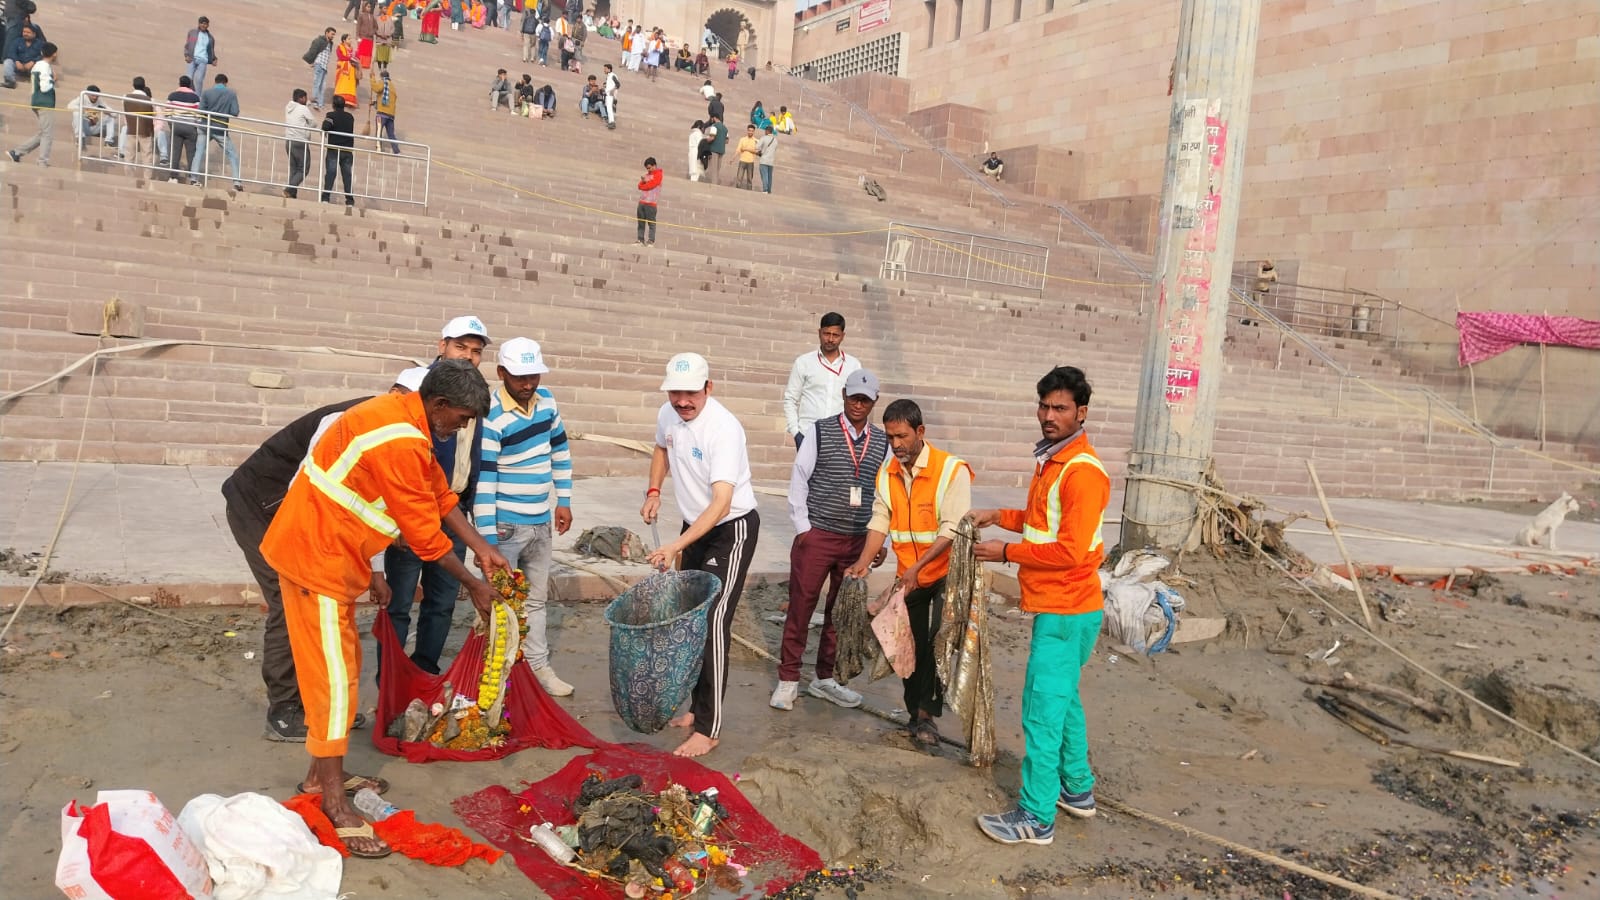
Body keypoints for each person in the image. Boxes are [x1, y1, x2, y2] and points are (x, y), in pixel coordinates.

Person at [261, 360, 509, 860]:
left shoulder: (404, 417)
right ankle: (330, 797)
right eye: (460, 419)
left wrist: (481, 547)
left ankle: (319, 771)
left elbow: (439, 496)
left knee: (343, 670)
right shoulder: (400, 438)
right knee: (334, 679)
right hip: (317, 560)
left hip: (332, 553)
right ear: (438, 405)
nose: (460, 428)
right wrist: (473, 584)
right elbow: (423, 536)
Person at [223, 367, 426, 742]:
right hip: (262, 505)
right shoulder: (350, 420)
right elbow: (309, 484)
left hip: (292, 508)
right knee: (291, 600)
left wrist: (375, 572)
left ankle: (325, 706)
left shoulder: (393, 430)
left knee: (321, 605)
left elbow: (367, 502)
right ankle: (284, 711)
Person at [971, 366, 1110, 845]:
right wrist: (997, 516)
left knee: (1042, 711)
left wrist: (1005, 552)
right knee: (1065, 701)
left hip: (1067, 609)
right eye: (1045, 406)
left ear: (1082, 413)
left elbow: (1069, 551)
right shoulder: (1055, 461)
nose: (1049, 416)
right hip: (1067, 606)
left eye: (1061, 408)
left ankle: (1036, 816)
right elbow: (1039, 521)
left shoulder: (1081, 473)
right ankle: (1077, 790)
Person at [641, 352, 761, 758]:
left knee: (713, 621)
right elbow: (660, 449)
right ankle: (696, 708)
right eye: (675, 392)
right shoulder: (667, 414)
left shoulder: (723, 429)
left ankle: (710, 728)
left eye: (690, 393)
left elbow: (722, 504)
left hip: (731, 530)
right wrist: (654, 491)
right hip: (692, 528)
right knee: (690, 621)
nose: (682, 401)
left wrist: (675, 545)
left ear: (708, 388)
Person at [845, 399, 972, 747]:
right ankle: (914, 712)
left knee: (932, 644)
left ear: (920, 432)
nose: (896, 444)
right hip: (910, 576)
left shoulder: (951, 470)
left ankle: (927, 718)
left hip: (945, 575)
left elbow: (952, 528)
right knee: (906, 645)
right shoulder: (887, 474)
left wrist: (919, 567)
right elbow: (880, 520)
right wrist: (863, 560)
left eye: (902, 436)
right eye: (890, 437)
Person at [772, 368, 888, 712]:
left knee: (841, 612)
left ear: (874, 402)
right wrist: (803, 528)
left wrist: (882, 542)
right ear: (843, 395)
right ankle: (788, 679)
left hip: (857, 539)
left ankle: (826, 678)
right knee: (801, 607)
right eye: (854, 397)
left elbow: (887, 493)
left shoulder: (882, 442)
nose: (858, 404)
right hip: (818, 534)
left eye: (865, 399)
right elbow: (800, 478)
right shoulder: (820, 431)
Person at [474, 337, 576, 697]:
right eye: (520, 377)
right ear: (502, 373)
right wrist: (486, 539)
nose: (528, 384)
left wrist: (563, 498)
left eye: (533, 375)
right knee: (499, 603)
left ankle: (538, 668)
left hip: (540, 521)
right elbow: (484, 479)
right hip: (506, 526)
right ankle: (496, 675)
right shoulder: (491, 414)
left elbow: (559, 450)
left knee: (535, 601)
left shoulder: (546, 402)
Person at [783, 312, 861, 450]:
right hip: (808, 435)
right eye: (826, 333)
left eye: (835, 335)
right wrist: (796, 433)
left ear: (843, 336)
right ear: (819, 333)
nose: (830, 339)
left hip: (841, 437)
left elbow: (858, 401)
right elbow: (790, 399)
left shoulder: (853, 366)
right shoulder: (804, 362)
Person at [6, 39, 55, 166]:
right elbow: (45, 87)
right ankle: (42, 160)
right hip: (44, 102)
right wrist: (53, 80)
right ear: (53, 54)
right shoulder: (45, 66)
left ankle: (17, 152)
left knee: (43, 133)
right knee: (47, 134)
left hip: (36, 100)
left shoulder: (37, 65)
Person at [193, 73, 243, 191]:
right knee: (232, 154)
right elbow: (235, 111)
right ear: (225, 83)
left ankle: (194, 177)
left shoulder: (206, 92)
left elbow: (200, 110)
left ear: (215, 82)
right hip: (220, 128)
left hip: (205, 126)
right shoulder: (231, 93)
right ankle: (237, 182)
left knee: (199, 151)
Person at [162, 75, 203, 181]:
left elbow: (167, 112)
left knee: (175, 152)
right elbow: (198, 115)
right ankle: (192, 177)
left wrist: (172, 123)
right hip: (190, 128)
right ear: (189, 84)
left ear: (179, 83)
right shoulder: (195, 97)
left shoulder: (172, 95)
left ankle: (173, 176)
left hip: (176, 126)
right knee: (191, 153)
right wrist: (195, 125)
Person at [320, 95, 356, 205]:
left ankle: (325, 198)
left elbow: (325, 126)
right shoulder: (350, 117)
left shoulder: (331, 115)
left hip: (334, 149)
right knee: (347, 175)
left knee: (331, 173)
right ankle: (349, 200)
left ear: (333, 105)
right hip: (347, 150)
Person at [283, 88, 315, 198]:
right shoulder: (303, 108)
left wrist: (308, 104)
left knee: (294, 168)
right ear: (301, 98)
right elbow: (314, 123)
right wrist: (306, 125)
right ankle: (289, 188)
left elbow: (300, 109)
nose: (306, 100)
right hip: (300, 141)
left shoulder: (288, 107)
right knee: (304, 169)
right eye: (305, 98)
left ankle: (292, 194)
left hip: (289, 141)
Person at [120, 76, 157, 166]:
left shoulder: (126, 97)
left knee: (129, 155)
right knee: (147, 156)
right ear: (144, 86)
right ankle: (147, 178)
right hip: (145, 131)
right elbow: (154, 113)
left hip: (131, 129)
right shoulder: (151, 100)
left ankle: (129, 177)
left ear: (133, 85)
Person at [69, 85, 119, 149]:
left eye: (97, 96)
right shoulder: (82, 97)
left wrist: (106, 111)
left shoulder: (100, 101)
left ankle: (108, 142)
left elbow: (115, 114)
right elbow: (70, 106)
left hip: (94, 127)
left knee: (110, 118)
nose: (95, 97)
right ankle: (80, 138)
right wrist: (84, 112)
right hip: (83, 126)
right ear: (87, 94)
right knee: (76, 113)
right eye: (93, 95)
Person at [3, 21, 44, 93]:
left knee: (42, 65)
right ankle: (10, 81)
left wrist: (33, 62)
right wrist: (17, 61)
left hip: (32, 68)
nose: (25, 34)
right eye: (24, 32)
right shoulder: (17, 41)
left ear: (34, 34)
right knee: (8, 61)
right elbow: (11, 52)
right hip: (18, 65)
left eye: (28, 32)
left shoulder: (40, 44)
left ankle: (40, 85)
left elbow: (43, 56)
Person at [304, 27, 337, 110]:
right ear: (327, 33)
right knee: (317, 84)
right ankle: (315, 102)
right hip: (319, 64)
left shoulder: (330, 43)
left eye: (334, 34)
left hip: (324, 66)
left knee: (322, 85)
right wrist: (311, 61)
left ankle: (320, 103)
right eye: (332, 34)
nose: (333, 36)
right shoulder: (319, 41)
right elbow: (313, 50)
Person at [183, 17, 217, 90]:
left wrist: (214, 59)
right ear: (199, 24)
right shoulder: (192, 33)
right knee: (188, 78)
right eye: (202, 23)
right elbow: (188, 45)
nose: (204, 25)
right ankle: (188, 93)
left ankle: (197, 97)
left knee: (199, 80)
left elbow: (211, 50)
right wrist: (186, 55)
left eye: (205, 24)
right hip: (192, 58)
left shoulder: (210, 38)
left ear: (208, 25)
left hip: (203, 60)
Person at [635, 156, 662, 246]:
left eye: (650, 168)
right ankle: (640, 240)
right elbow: (639, 186)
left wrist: (645, 183)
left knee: (651, 224)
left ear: (654, 165)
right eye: (647, 168)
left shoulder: (658, 174)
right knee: (641, 223)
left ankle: (651, 241)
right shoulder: (647, 175)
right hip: (642, 202)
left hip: (651, 203)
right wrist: (644, 182)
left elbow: (651, 185)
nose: (648, 170)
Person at [372, 70, 399, 154]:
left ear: (382, 77)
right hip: (391, 115)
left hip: (382, 114)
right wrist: (374, 103)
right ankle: (396, 150)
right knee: (391, 134)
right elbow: (386, 97)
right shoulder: (392, 86)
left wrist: (372, 78)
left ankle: (378, 148)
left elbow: (377, 88)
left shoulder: (384, 82)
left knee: (379, 131)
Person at [333, 34, 358, 108]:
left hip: (351, 69)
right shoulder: (340, 47)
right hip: (342, 69)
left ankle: (349, 102)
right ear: (344, 40)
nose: (350, 40)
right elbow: (340, 56)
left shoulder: (352, 49)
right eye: (349, 39)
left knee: (350, 85)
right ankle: (339, 99)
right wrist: (349, 59)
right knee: (341, 84)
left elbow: (356, 56)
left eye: (350, 39)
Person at [733, 124, 759, 190]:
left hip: (751, 162)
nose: (750, 132)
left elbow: (757, 152)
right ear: (747, 131)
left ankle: (749, 192)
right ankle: (737, 191)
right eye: (749, 130)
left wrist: (746, 149)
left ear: (754, 132)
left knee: (749, 179)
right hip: (742, 161)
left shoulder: (756, 141)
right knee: (739, 178)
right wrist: (733, 158)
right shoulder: (742, 139)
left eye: (752, 131)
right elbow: (738, 149)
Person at [704, 115, 727, 186]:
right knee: (717, 169)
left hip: (714, 149)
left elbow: (712, 138)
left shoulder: (714, 126)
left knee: (714, 168)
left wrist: (705, 140)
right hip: (721, 150)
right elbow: (727, 140)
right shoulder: (725, 128)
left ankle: (714, 185)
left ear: (714, 118)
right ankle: (716, 183)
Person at [756, 124, 777, 194]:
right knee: (769, 176)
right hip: (771, 161)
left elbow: (757, 147)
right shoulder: (775, 140)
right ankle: (769, 190)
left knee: (764, 175)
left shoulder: (764, 138)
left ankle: (765, 189)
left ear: (767, 131)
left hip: (764, 160)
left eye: (765, 131)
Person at [356, 2, 377, 69]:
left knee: (368, 52)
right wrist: (357, 36)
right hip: (363, 36)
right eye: (367, 7)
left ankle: (366, 64)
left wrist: (373, 32)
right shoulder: (361, 15)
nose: (369, 8)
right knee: (361, 51)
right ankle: (360, 63)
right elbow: (358, 26)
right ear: (364, 7)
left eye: (370, 7)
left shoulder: (372, 16)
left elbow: (376, 27)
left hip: (370, 38)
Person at [602, 62, 619, 130]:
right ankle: (610, 121)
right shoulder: (609, 76)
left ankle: (612, 122)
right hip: (608, 94)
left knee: (610, 108)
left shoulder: (612, 75)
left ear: (609, 69)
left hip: (611, 95)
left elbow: (618, 84)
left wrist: (612, 90)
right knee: (609, 108)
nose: (604, 70)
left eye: (605, 69)